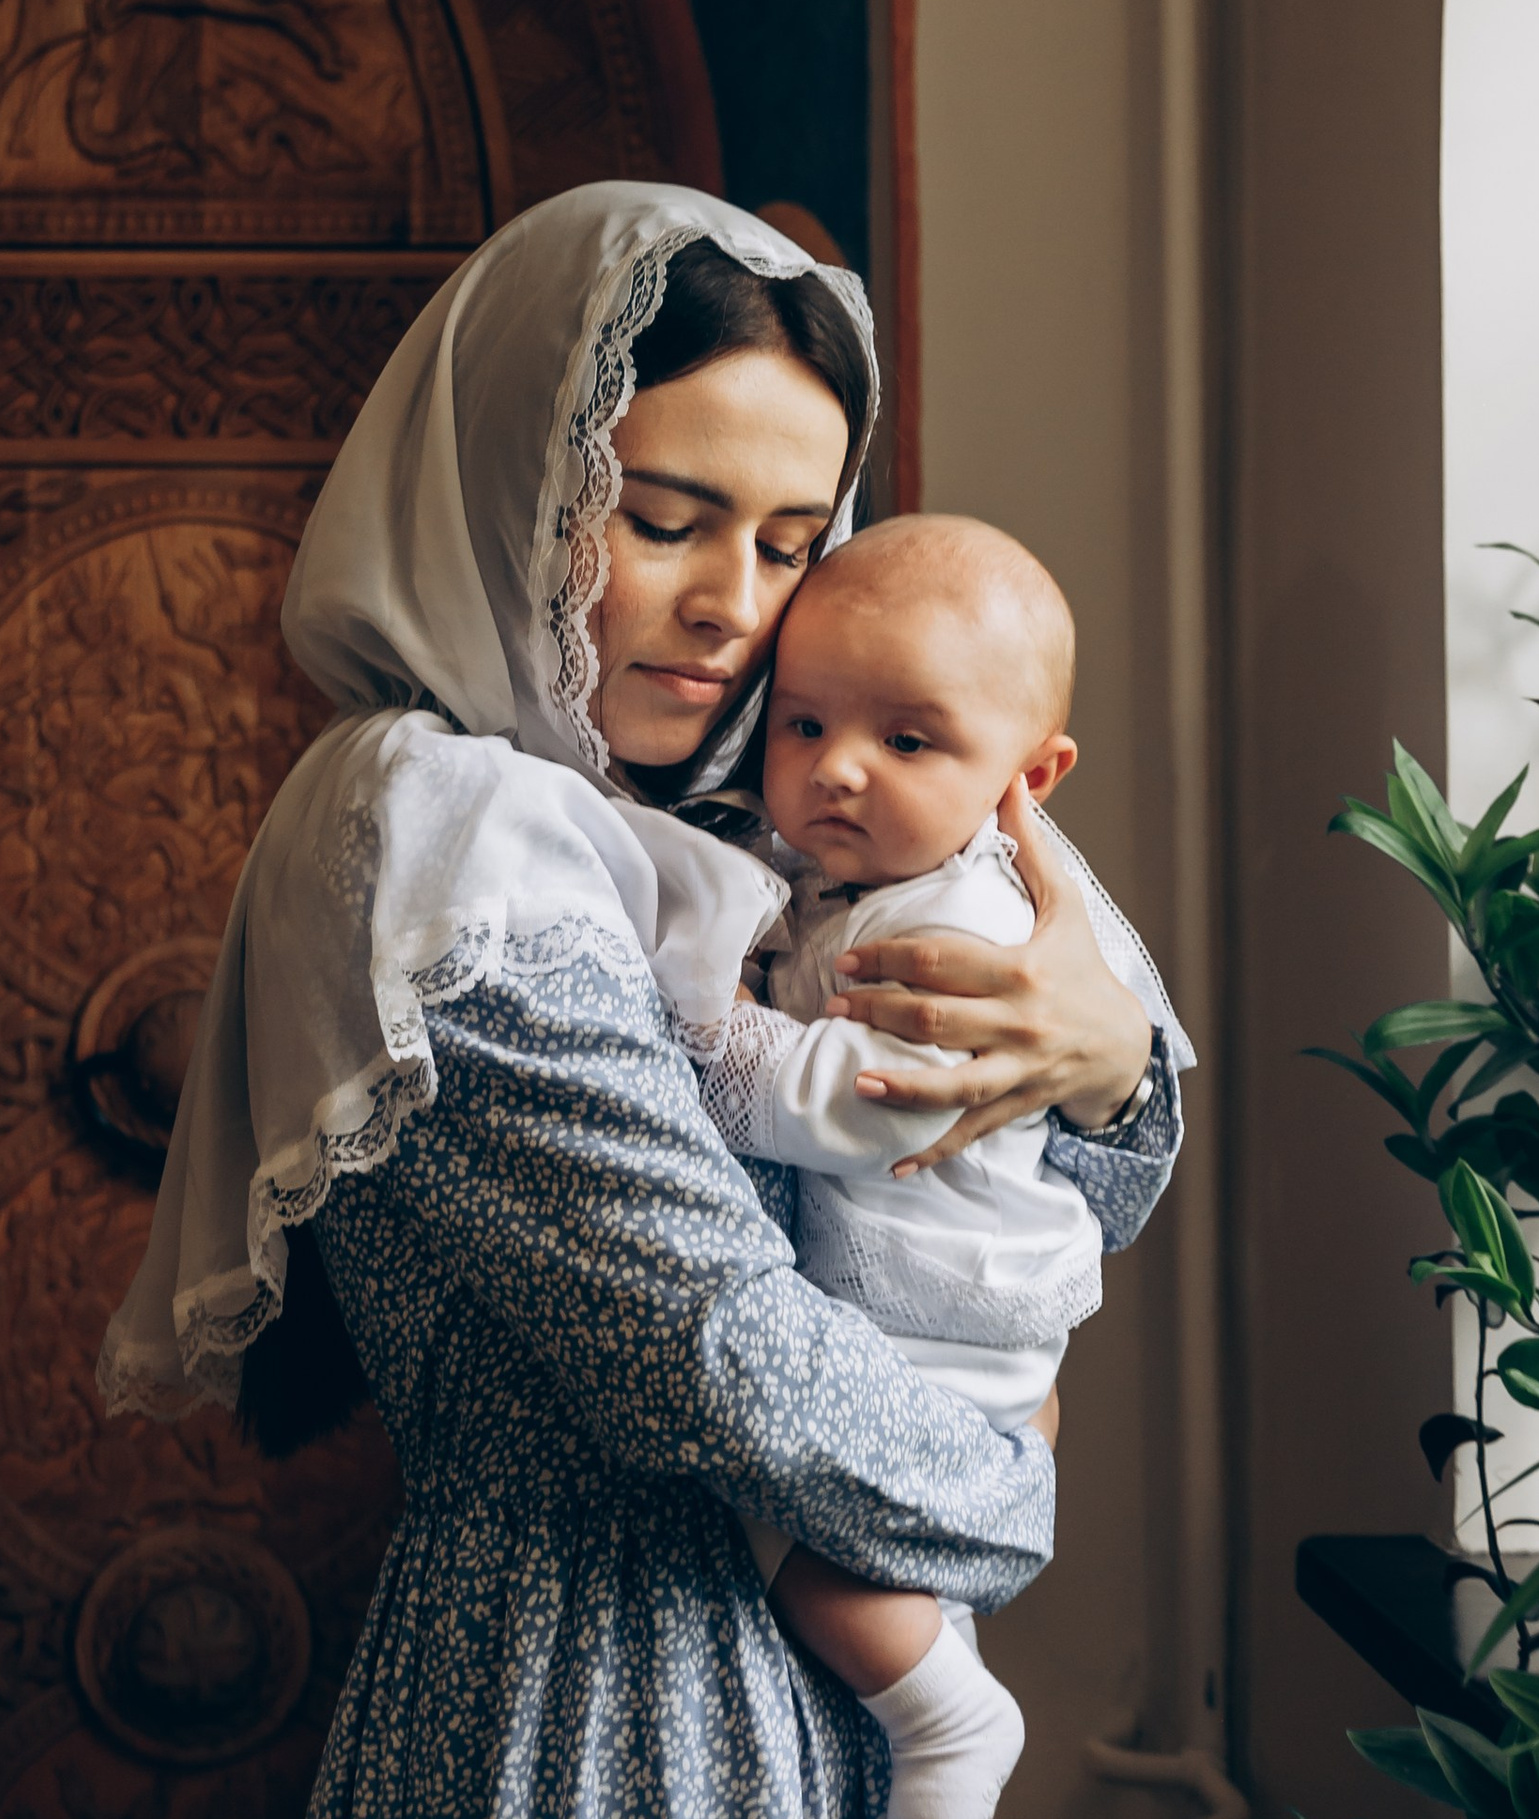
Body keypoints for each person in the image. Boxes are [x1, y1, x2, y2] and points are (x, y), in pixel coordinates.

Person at [97, 183, 1187, 1817]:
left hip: (802, 1691)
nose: (734, 608)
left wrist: (1103, 1070)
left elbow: (1098, 1164)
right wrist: (1006, 1489)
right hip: (597, 1704)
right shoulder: (450, 827)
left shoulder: (762, 795)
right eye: (664, 519)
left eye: (788, 543)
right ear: (518, 480)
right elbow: (709, 1351)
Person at [664, 513, 1181, 1818]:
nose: (836, 771)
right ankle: (938, 1690)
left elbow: (879, 1102)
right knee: (871, 1566)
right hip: (918, 1314)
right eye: (803, 726)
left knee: (779, 1515)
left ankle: (949, 1719)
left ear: (1032, 776)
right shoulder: (864, 875)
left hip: (932, 1326)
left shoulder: (959, 921)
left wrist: (719, 1037)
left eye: (906, 741)